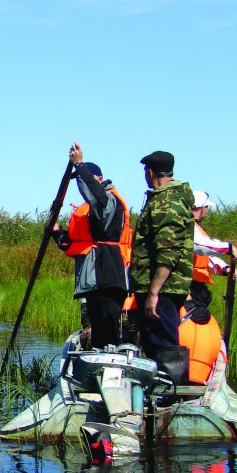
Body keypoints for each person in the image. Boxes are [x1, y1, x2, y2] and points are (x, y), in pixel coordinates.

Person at [51, 142, 132, 350]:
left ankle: (111, 362)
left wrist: (79, 166)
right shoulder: (90, 211)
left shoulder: (109, 201)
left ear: (99, 180)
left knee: (109, 331)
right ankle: (97, 361)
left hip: (108, 271)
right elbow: (75, 244)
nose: (81, 187)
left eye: (85, 180)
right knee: (98, 332)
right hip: (95, 278)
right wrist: (56, 233)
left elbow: (97, 196)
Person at [130, 150, 194, 383]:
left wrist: (153, 292)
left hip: (163, 288)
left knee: (163, 343)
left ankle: (171, 395)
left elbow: (168, 252)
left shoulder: (167, 202)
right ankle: (160, 392)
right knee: (153, 343)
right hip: (161, 286)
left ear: (150, 172)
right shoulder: (167, 198)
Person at [191, 190, 237, 298]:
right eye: (207, 207)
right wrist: (229, 248)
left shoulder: (194, 227)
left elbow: (204, 258)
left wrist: (225, 268)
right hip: (185, 287)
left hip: (195, 288)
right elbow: (200, 246)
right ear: (202, 208)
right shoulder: (187, 225)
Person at [178, 283, 224, 385]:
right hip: (203, 379)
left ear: (190, 295)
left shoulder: (178, 311)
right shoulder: (213, 321)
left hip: (177, 375)